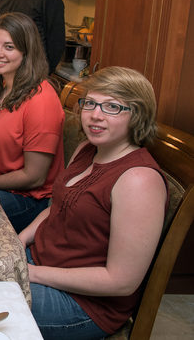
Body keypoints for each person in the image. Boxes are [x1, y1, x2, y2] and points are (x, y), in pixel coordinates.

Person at [20, 67, 167, 339]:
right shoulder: (87, 149)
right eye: (90, 103)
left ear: (138, 114)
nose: (95, 115)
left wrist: (33, 274)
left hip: (83, 304)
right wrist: (20, 240)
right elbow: (57, 208)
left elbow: (121, 281)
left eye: (112, 106)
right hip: (43, 263)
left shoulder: (139, 180)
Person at [0, 12, 65, 233]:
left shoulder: (41, 99)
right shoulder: (1, 88)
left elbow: (34, 177)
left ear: (27, 51)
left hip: (26, 201)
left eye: (9, 47)